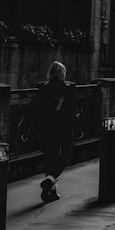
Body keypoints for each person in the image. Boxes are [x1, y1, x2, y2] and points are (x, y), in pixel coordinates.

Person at [29, 61, 74, 204]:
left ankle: (51, 192)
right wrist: (79, 128)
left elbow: (34, 109)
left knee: (50, 158)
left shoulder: (43, 88)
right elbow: (74, 111)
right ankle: (50, 181)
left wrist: (27, 128)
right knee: (65, 157)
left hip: (45, 130)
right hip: (63, 129)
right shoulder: (67, 89)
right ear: (63, 74)